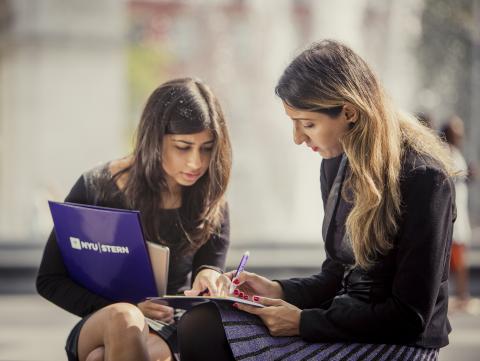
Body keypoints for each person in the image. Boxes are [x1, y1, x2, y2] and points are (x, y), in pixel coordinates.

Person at [177, 40, 455, 361]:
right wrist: (279, 291)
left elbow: (410, 317)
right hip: (341, 326)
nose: (297, 138)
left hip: (396, 345)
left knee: (206, 331)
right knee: (202, 320)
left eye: (308, 124)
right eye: (293, 123)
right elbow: (337, 276)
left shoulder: (424, 178)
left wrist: (304, 322)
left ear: (349, 112)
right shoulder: (336, 165)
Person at [36, 77, 232, 361]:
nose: (196, 162)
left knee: (101, 358)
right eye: (183, 146)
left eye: (207, 148)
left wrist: (209, 275)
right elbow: (49, 280)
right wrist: (129, 306)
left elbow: (210, 265)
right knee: (124, 319)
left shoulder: (210, 196)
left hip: (170, 326)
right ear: (153, 139)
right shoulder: (97, 187)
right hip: (102, 318)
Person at [441, 116, 473, 311]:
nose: (460, 133)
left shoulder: (456, 152)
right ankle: (459, 296)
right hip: (452, 215)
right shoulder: (445, 152)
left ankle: (461, 295)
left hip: (460, 213)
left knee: (459, 257)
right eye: (456, 130)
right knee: (455, 258)